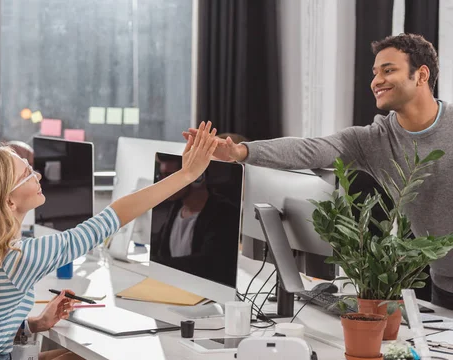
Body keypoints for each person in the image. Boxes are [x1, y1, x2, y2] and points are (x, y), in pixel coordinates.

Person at [0, 122, 218, 360]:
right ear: (9, 202)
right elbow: (112, 218)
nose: (39, 176)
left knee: (72, 357)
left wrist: (34, 324)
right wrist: (186, 175)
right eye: (28, 174)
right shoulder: (20, 256)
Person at [184, 33, 453, 309]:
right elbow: (310, 149)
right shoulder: (374, 140)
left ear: (420, 75)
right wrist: (239, 152)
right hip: (443, 286)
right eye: (375, 73)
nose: (376, 81)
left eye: (389, 70)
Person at [150, 153, 240, 287]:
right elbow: (160, 250)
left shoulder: (223, 212)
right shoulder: (177, 208)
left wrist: (156, 264)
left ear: (198, 178)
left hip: (207, 294)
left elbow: (206, 264)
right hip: (177, 287)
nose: (163, 183)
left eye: (169, 176)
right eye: (161, 176)